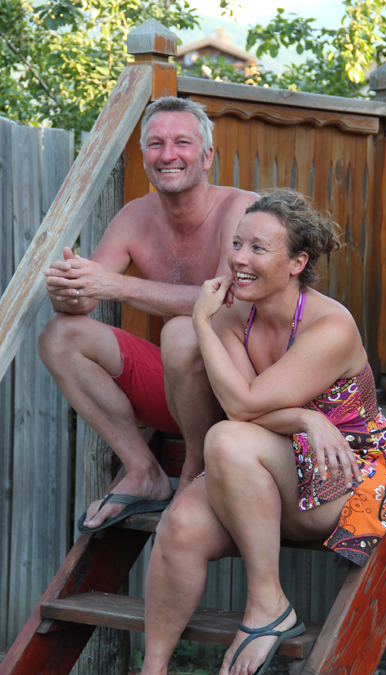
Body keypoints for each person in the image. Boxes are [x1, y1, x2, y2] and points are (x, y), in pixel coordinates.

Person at [141, 188, 386, 675]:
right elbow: (240, 407)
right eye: (237, 243)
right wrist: (304, 418)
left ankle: (268, 605)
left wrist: (199, 320)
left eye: (258, 248)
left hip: (347, 470)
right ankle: (151, 670)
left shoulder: (331, 327)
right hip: (270, 462)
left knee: (225, 439)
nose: (239, 259)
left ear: (296, 263)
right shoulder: (234, 315)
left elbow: (240, 408)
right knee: (179, 525)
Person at [38, 96, 256, 532]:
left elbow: (224, 300)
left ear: (207, 156)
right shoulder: (134, 216)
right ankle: (143, 470)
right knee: (59, 336)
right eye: (156, 144)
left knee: (184, 331)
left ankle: (193, 473)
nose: (168, 154)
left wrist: (116, 286)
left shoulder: (243, 209)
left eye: (182, 142)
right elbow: (86, 296)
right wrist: (68, 289)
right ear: (144, 157)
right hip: (182, 392)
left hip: (247, 395)